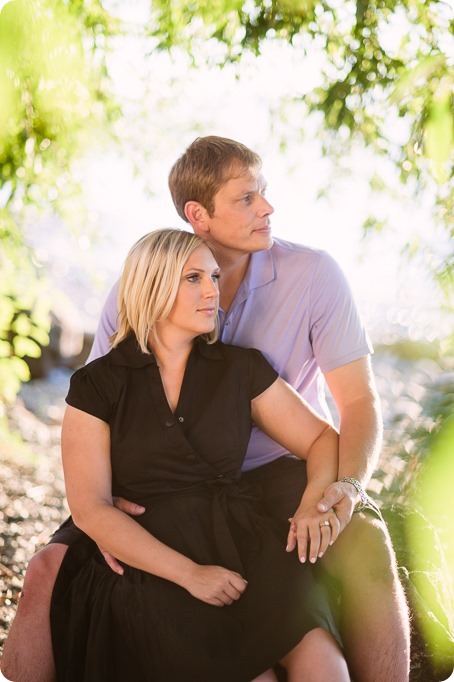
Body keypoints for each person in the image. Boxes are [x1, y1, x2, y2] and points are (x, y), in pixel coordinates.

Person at [0, 136, 410, 682]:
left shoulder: (313, 277)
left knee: (363, 540)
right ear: (200, 215)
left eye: (263, 193)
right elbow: (103, 397)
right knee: (49, 566)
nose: (267, 208)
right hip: (160, 484)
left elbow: (358, 403)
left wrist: (340, 490)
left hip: (275, 470)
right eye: (246, 198)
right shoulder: (140, 285)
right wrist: (100, 502)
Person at [50, 228, 349, 681]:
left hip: (245, 542)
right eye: (194, 278)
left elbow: (322, 438)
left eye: (213, 276)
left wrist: (314, 500)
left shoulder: (241, 368)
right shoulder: (97, 384)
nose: (213, 291)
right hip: (155, 561)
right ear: (152, 285)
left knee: (324, 664)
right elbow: (90, 507)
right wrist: (190, 574)